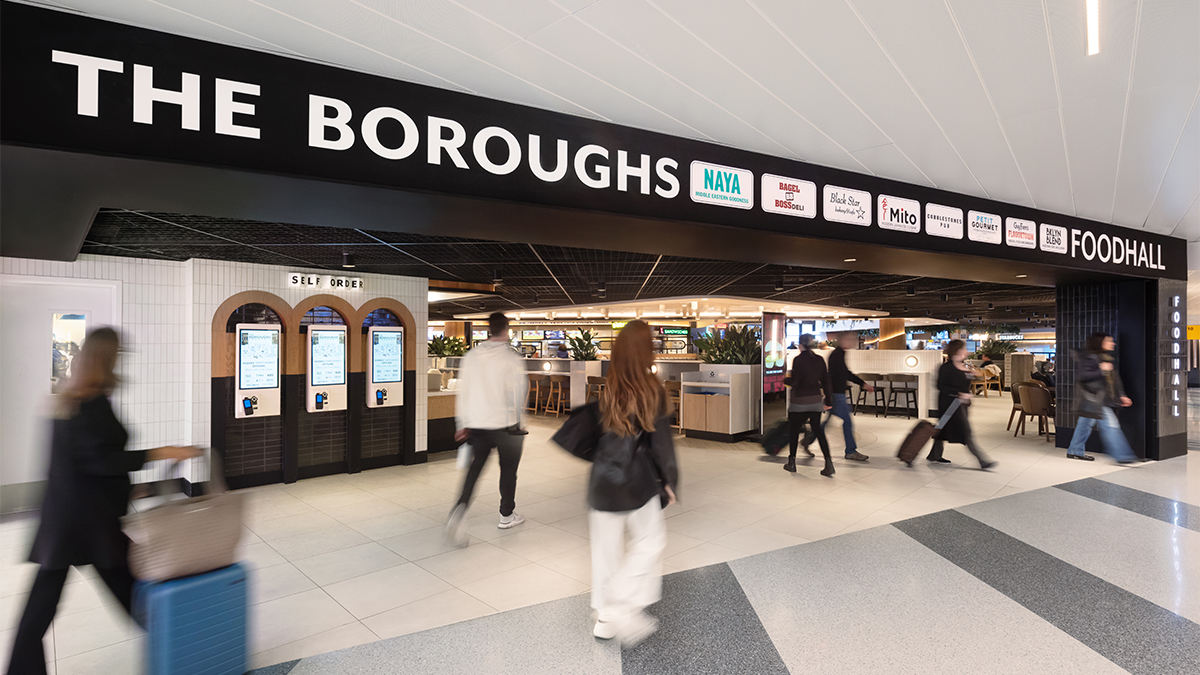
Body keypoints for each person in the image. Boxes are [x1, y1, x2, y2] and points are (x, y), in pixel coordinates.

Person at [8, 328, 200, 675]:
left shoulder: (71, 397)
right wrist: (164, 452)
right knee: (132, 591)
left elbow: (83, 464)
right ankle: (187, 649)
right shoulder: (90, 403)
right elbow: (103, 461)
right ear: (107, 356)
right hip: (90, 523)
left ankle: (21, 670)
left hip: (68, 519)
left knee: (43, 608)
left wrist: (128, 490)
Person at [551, 320, 678, 646]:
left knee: (604, 551)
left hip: (602, 482)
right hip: (637, 482)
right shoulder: (654, 390)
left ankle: (606, 618)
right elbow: (661, 444)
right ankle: (621, 600)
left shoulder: (609, 389)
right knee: (651, 541)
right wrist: (670, 480)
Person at [446, 313, 530, 545]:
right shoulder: (511, 358)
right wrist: (520, 420)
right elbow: (518, 392)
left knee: (474, 471)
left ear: (488, 329)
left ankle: (460, 510)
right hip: (506, 426)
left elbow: (464, 392)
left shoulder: (471, 356)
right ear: (506, 329)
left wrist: (461, 424)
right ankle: (506, 515)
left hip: (478, 424)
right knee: (508, 470)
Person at [1066, 333, 1138, 463]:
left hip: (1100, 398)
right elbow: (1082, 376)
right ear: (1100, 343)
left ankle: (1074, 450)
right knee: (1111, 425)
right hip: (1095, 398)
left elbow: (1114, 380)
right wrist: (1101, 370)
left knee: (1085, 424)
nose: (1113, 344)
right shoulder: (1090, 357)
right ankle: (1122, 455)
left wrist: (1121, 395)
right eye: (1109, 341)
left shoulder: (1106, 358)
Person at [927, 340, 996, 469]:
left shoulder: (964, 366)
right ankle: (982, 460)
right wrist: (958, 393)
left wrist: (971, 377)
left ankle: (934, 455)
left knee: (942, 429)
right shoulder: (946, 367)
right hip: (949, 404)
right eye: (964, 349)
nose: (967, 351)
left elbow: (963, 383)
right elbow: (940, 386)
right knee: (966, 431)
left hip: (961, 405)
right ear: (958, 351)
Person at [803, 332, 872, 462]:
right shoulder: (837, 355)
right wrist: (863, 384)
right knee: (847, 421)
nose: (852, 341)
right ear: (842, 340)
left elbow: (842, 374)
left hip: (835, 394)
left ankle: (808, 440)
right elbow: (841, 375)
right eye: (849, 339)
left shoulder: (839, 354)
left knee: (826, 423)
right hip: (836, 395)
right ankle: (850, 451)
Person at [786, 334, 835, 477]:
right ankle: (828, 463)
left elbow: (795, 381)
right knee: (818, 431)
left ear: (800, 345)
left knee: (794, 431)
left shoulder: (798, 360)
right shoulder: (819, 360)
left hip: (799, 400)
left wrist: (786, 378)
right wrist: (828, 401)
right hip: (815, 401)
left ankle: (792, 462)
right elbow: (826, 381)